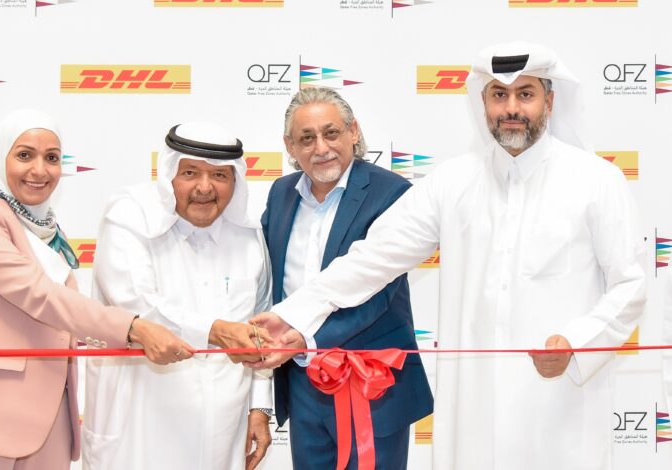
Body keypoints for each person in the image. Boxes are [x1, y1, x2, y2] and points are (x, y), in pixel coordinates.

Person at [252, 42, 646, 470]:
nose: (511, 108)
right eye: (499, 94)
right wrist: (291, 315)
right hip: (473, 405)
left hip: (557, 399)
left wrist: (577, 343)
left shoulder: (596, 180)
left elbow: (630, 286)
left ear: (549, 102)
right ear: (483, 102)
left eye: (525, 94)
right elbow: (372, 259)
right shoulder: (452, 182)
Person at [0, 109, 192, 470]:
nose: (40, 170)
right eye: (24, 155)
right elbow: (40, 295)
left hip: (48, 427)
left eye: (52, 158)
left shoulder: (48, 232)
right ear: (0, 158)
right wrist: (133, 328)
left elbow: (62, 324)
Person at [256, 87, 432, 469]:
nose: (321, 148)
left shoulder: (391, 192)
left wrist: (308, 338)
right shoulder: (281, 193)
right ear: (290, 145)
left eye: (331, 133)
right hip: (301, 381)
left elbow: (378, 292)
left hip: (371, 382)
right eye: (307, 138)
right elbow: (273, 282)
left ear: (353, 131)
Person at [82, 122, 274, 470]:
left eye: (219, 175)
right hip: (139, 422)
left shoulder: (248, 237)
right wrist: (215, 331)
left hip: (222, 427)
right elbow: (135, 306)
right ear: (170, 173)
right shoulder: (129, 216)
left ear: (235, 181)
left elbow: (262, 324)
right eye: (190, 173)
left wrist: (259, 407)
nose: (204, 187)